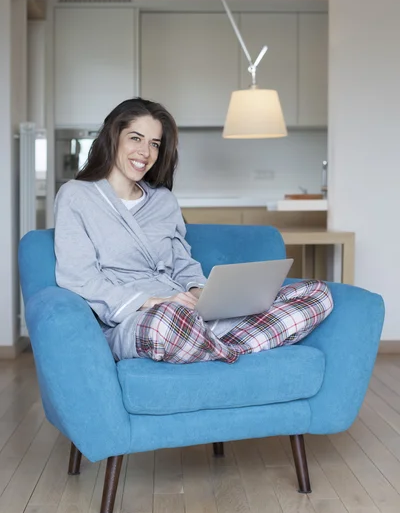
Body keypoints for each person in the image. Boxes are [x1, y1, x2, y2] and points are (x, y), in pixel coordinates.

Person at [54, 97, 333, 364]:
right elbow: (80, 278)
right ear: (113, 137)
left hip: (189, 312)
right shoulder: (76, 196)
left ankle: (210, 346)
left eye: (154, 144)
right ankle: (239, 345)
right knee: (167, 324)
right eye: (135, 138)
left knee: (317, 293)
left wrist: (202, 293)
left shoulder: (163, 200)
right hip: (138, 320)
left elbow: (182, 264)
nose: (145, 152)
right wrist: (152, 302)